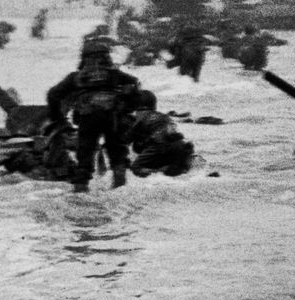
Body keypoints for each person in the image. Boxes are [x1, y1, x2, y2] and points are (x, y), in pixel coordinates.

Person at [46, 38, 141, 193]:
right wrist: (126, 108)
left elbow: (53, 95)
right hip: (113, 117)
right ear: (106, 57)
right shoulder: (115, 75)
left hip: (88, 118)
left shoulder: (76, 77)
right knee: (117, 153)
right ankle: (120, 189)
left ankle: (81, 192)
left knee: (85, 156)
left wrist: (58, 119)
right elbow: (136, 87)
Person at [121, 90, 196, 177]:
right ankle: (173, 166)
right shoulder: (163, 116)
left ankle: (159, 170)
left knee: (136, 168)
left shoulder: (139, 117)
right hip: (180, 144)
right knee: (176, 170)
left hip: (159, 145)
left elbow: (125, 140)